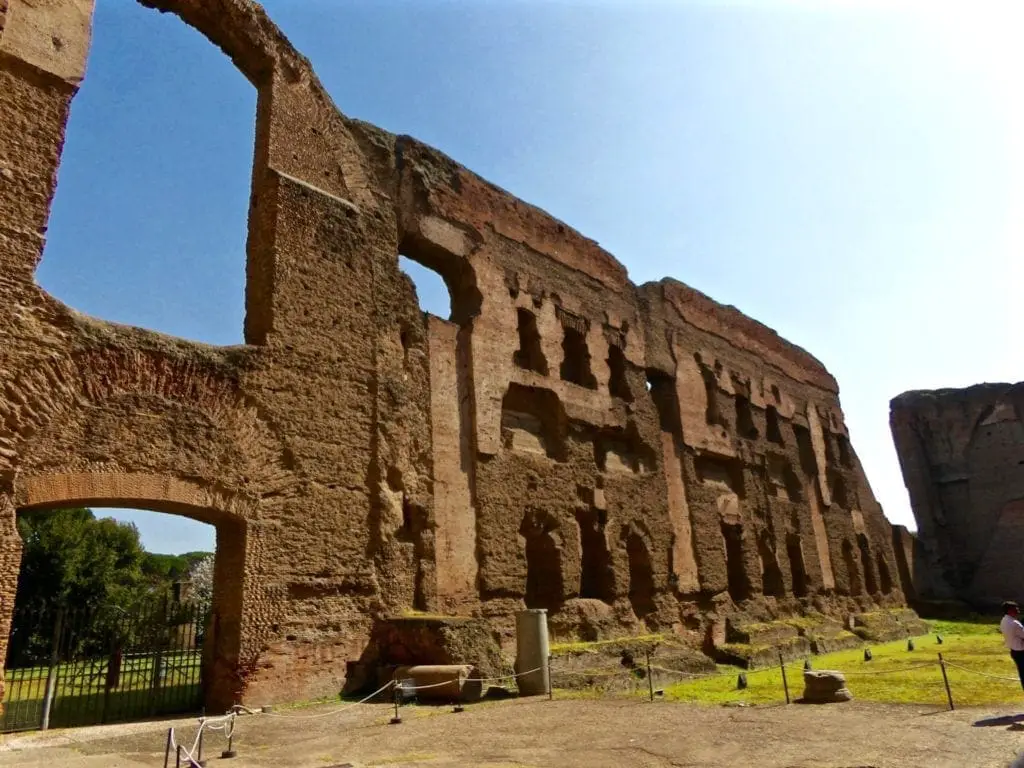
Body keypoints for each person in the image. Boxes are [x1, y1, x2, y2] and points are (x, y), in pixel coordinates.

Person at [1000, 601, 1024, 691]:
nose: (1018, 611)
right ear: (1010, 610)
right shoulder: (1015, 623)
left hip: (1014, 651)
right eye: (1016, 609)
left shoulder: (1004, 620)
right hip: (1021, 652)